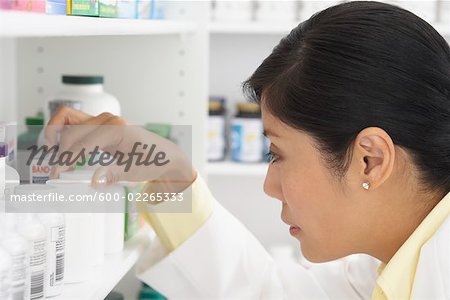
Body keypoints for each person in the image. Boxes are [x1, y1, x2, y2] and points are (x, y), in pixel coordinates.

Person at [46, 1, 450, 299]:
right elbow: (267, 292)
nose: (269, 187)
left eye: (276, 153)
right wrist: (172, 175)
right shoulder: (396, 268)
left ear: (370, 160)